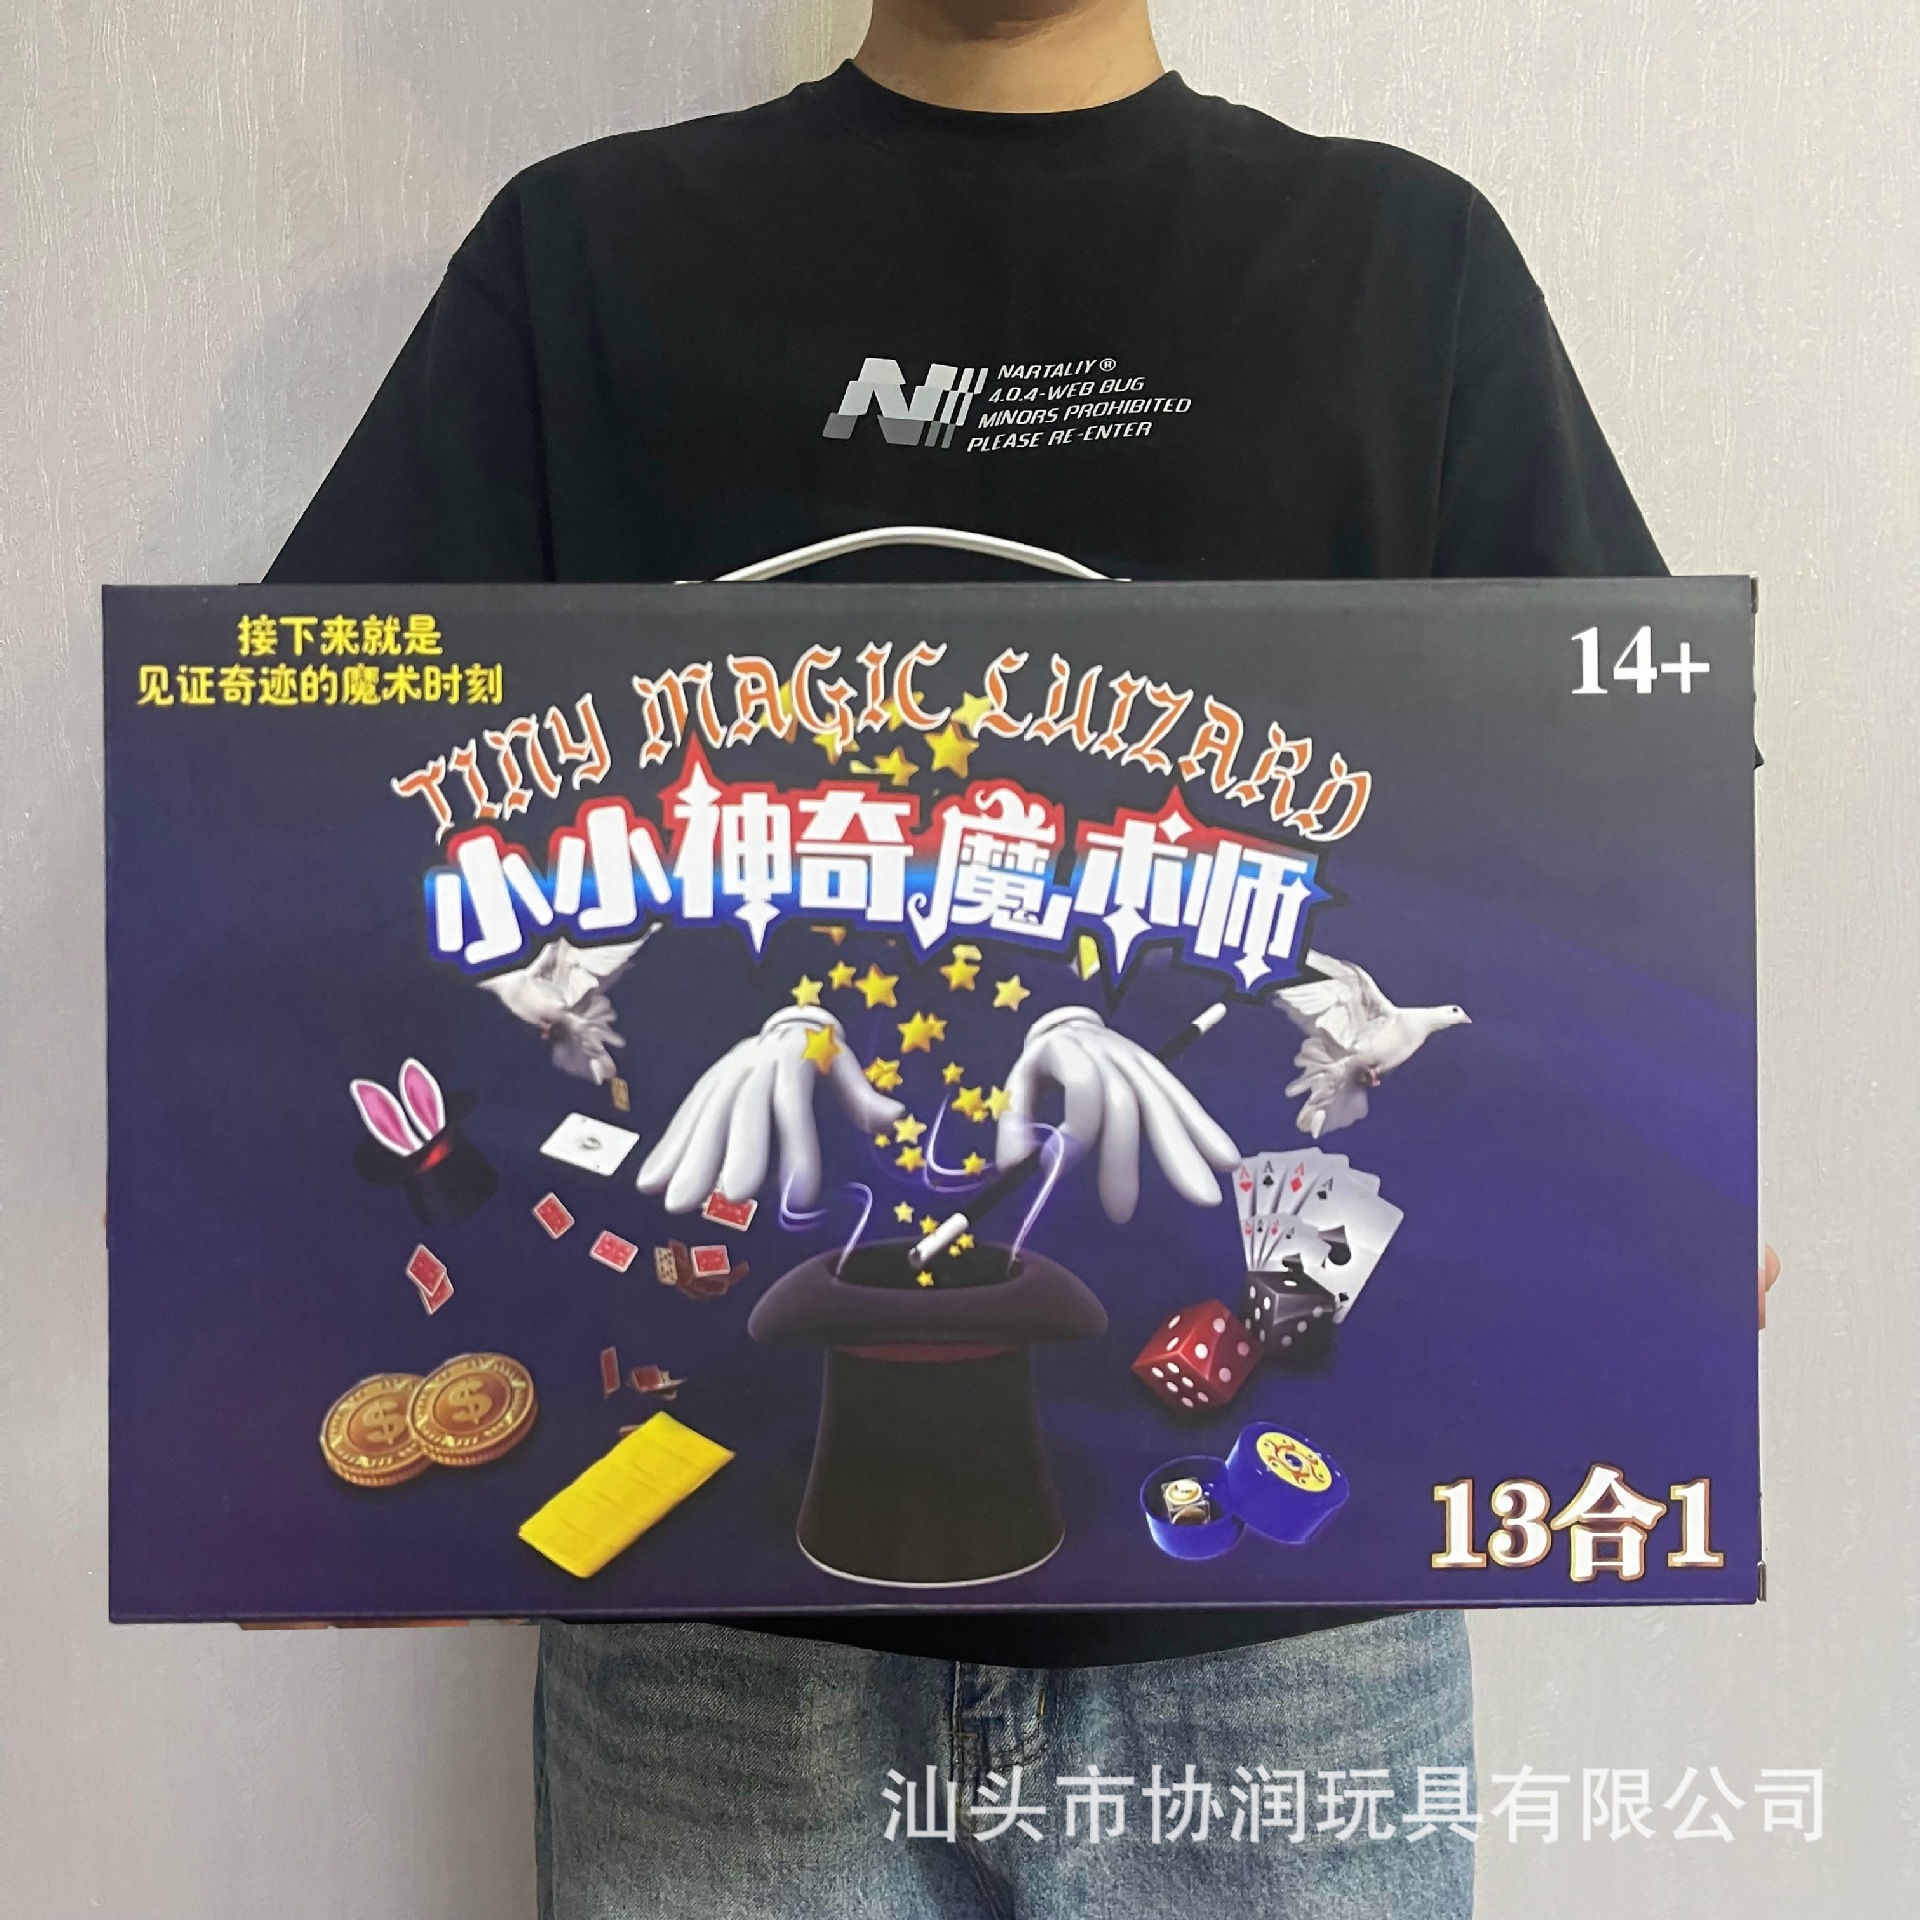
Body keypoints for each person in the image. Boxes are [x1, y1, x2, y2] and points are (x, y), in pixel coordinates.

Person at [267, 3, 1732, 1913]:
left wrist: (1665, 1186)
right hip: (716, 1642)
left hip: (1293, 1630)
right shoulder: (584, 258)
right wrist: (286, 1285)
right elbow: (304, 779)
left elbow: (1616, 806)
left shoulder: (1405, 259)